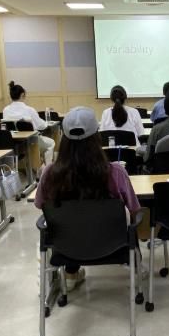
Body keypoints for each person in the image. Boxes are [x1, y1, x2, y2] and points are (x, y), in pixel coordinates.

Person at [34, 107, 141, 290]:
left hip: (66, 247)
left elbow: (40, 205)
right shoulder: (116, 172)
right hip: (112, 245)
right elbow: (134, 208)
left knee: (69, 221)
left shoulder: (50, 173)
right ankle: (136, 266)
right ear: (97, 137)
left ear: (64, 138)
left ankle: (70, 273)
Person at [3, 81, 55, 164]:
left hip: (13, 143)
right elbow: (41, 126)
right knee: (51, 143)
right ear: (22, 95)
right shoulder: (29, 110)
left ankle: (35, 165)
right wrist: (46, 123)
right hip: (31, 142)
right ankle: (46, 167)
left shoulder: (5, 110)